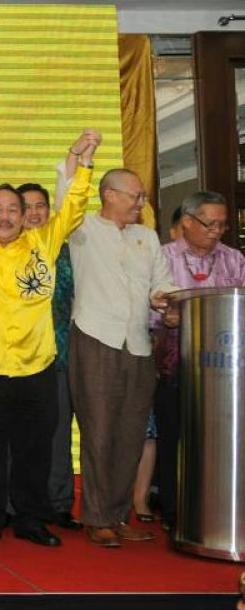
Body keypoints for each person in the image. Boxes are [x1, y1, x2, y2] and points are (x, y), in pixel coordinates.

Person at [0, 130, 98, 548]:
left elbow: (73, 205)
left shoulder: (42, 241)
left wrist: (84, 160)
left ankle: (32, 520)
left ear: (24, 216)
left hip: (37, 368)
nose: (5, 217)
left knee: (35, 451)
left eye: (12, 210)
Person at [69, 168, 179, 548]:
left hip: (139, 345)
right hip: (95, 337)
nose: (140, 202)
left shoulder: (147, 237)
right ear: (109, 194)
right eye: (135, 195)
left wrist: (167, 303)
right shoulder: (82, 228)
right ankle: (97, 517)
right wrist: (81, 157)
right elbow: (67, 191)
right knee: (99, 432)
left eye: (142, 196)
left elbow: (162, 282)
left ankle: (118, 515)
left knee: (132, 435)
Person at [151, 193, 245, 532]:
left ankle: (220, 509)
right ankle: (173, 510)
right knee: (174, 437)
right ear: (188, 221)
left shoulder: (234, 259)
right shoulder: (162, 257)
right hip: (174, 363)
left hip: (224, 369)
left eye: (222, 224)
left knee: (220, 440)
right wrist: (166, 317)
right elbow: (145, 310)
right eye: (210, 224)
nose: (217, 231)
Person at [17, 180, 84, 532]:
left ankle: (58, 503)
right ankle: (14, 504)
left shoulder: (66, 249)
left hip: (59, 353)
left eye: (40, 205)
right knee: (16, 436)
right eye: (25, 207)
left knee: (58, 434)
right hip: (15, 355)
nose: (34, 212)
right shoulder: (5, 248)